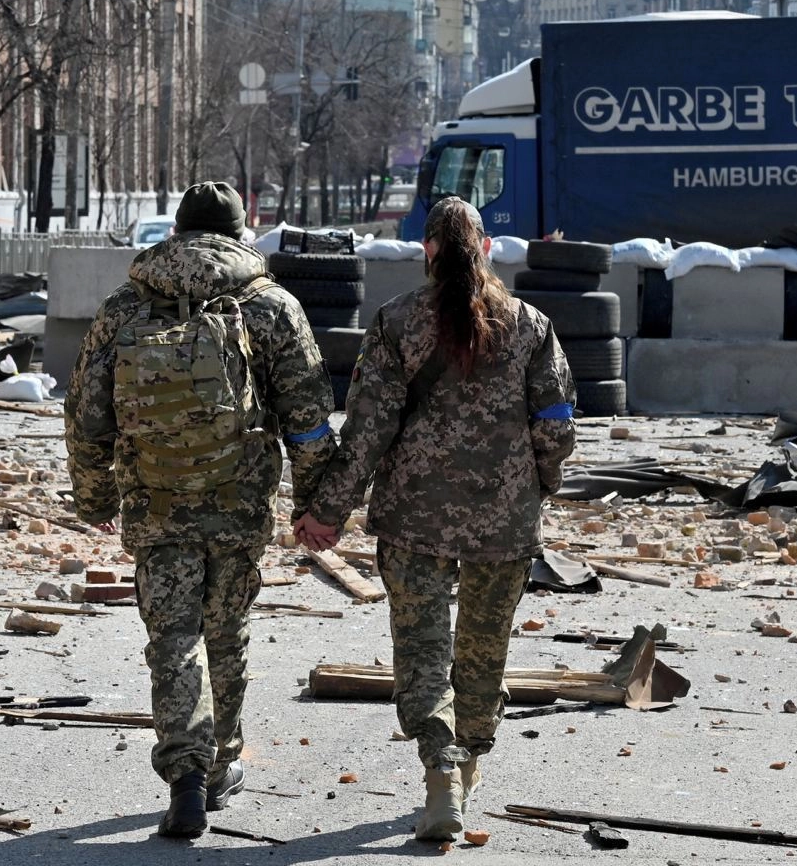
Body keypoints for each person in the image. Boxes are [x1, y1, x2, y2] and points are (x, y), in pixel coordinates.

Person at [294, 196, 576, 842]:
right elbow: (555, 425)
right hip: (503, 524)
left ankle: (440, 771)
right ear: (485, 250)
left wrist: (326, 513)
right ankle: (468, 765)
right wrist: (541, 487)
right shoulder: (531, 325)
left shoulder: (397, 324)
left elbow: (366, 431)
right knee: (482, 653)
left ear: (426, 252)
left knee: (422, 652)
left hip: (413, 517)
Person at [65, 182, 335, 839]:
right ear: (241, 233)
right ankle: (219, 768)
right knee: (226, 631)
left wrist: (95, 495)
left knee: (174, 636)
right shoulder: (270, 306)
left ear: (179, 233)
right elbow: (308, 421)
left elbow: (85, 414)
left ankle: (184, 776)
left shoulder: (126, 305)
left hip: (156, 499)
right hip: (239, 500)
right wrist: (316, 505)